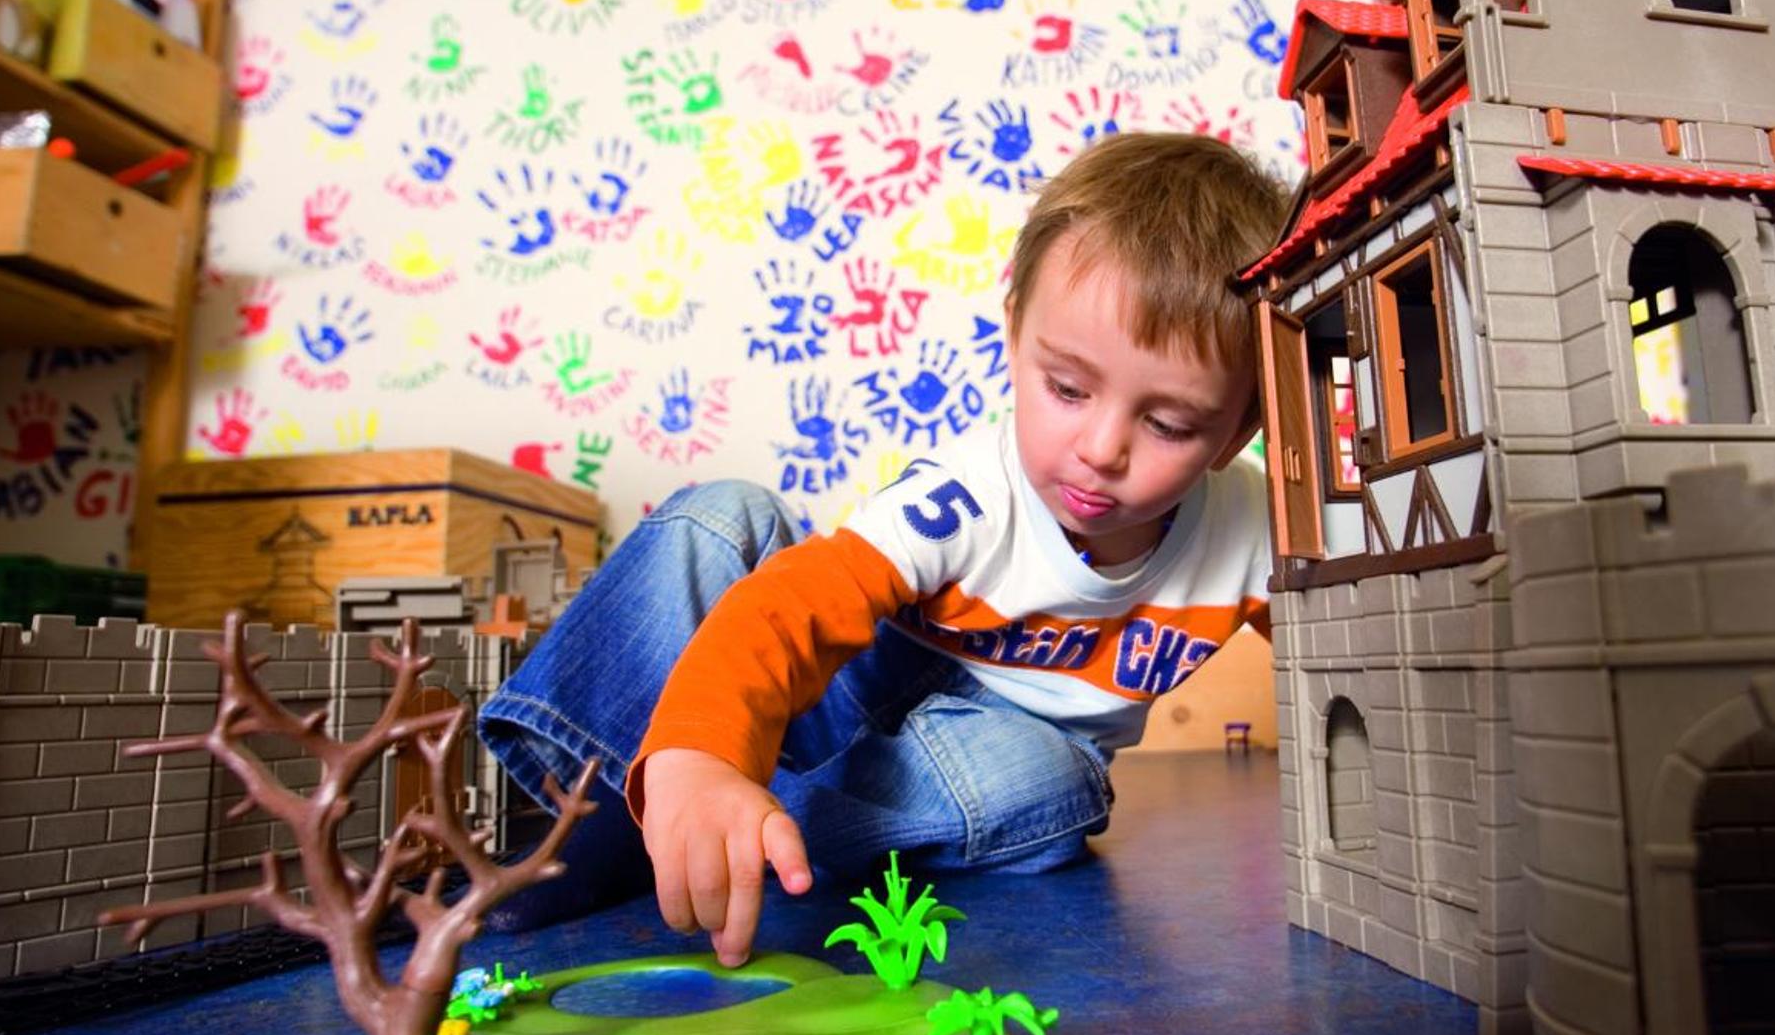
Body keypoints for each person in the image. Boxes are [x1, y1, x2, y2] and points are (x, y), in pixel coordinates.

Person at [478, 131, 1285, 963]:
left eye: (1168, 424)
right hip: (838, 694)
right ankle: (609, 808)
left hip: (966, 763)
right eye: (1068, 389)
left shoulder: (1255, 530)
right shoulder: (968, 496)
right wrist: (701, 750)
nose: (1102, 449)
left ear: (1237, 431)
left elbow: (1345, 648)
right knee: (717, 516)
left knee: (1050, 784)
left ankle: (739, 829)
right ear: (1015, 335)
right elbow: (790, 608)